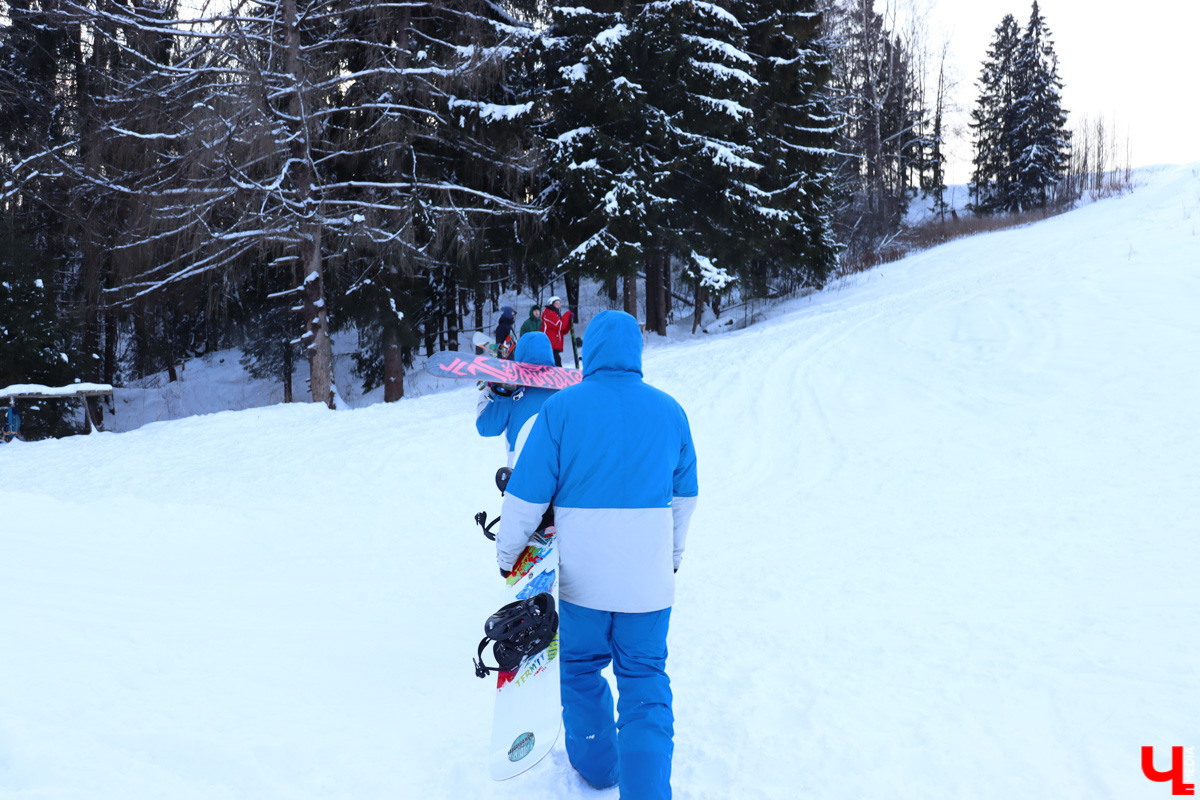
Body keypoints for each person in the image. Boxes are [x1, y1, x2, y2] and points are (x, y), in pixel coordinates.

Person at [496, 310, 698, 800]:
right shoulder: (670, 412)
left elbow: (526, 493)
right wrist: (671, 556)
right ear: (636, 352)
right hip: (648, 586)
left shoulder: (563, 409)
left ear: (589, 353)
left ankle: (598, 767)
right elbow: (685, 498)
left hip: (582, 583)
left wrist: (509, 555)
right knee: (644, 683)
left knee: (581, 669)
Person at [475, 332, 557, 468]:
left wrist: (493, 390)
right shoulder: (564, 392)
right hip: (558, 469)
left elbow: (486, 427)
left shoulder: (510, 392)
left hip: (520, 471)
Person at [540, 296, 574, 367]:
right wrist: (567, 314)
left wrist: (568, 322)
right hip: (548, 346)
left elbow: (563, 331)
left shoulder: (555, 315)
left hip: (553, 348)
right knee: (556, 364)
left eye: (559, 303)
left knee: (557, 363)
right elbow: (560, 326)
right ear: (551, 304)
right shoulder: (549, 314)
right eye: (556, 303)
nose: (559, 305)